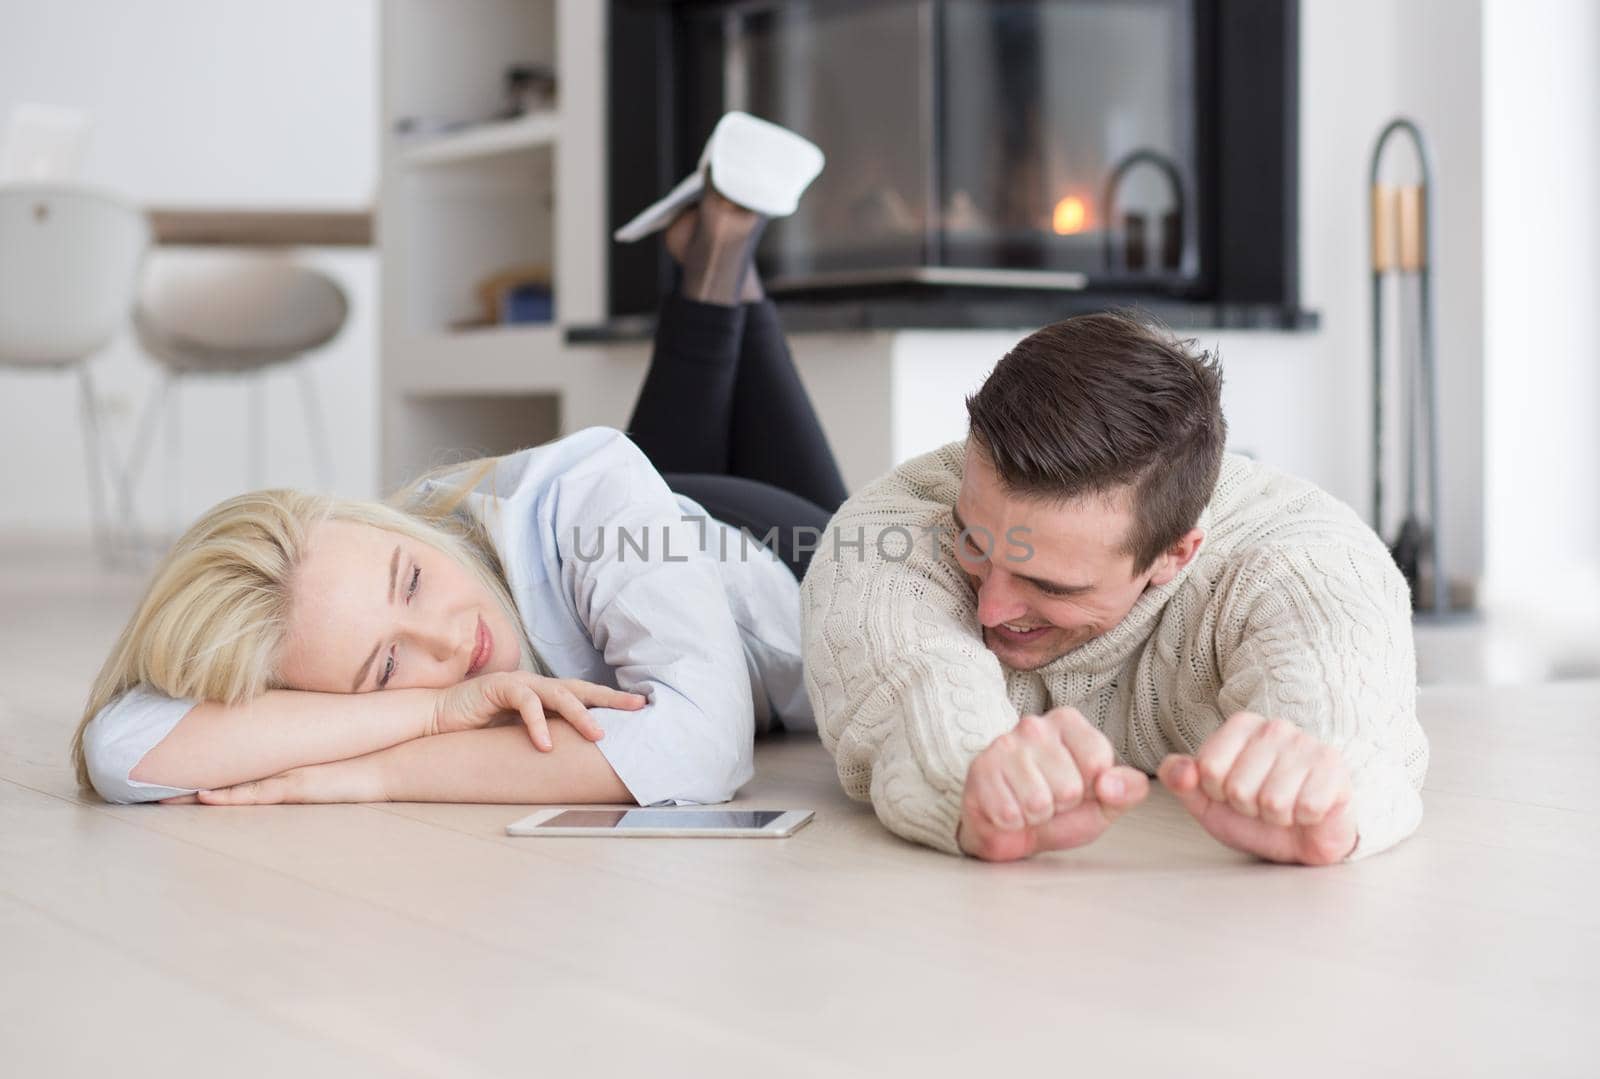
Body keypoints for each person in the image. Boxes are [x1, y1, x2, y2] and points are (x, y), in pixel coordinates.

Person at [73, 114, 847, 808]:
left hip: (778, 557)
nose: (448, 641)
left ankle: (719, 255)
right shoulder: (380, 619)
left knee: (743, 515)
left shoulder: (583, 488)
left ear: (378, 519)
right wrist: (431, 711)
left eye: (410, 578)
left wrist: (382, 771)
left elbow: (701, 754)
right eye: (384, 668)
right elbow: (120, 746)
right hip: (649, 533)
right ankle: (717, 255)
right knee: (643, 503)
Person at [801, 313, 1428, 865]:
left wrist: (1328, 801)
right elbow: (917, 687)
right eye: (972, 541)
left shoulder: (1305, 557)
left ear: (1175, 553)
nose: (989, 606)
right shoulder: (890, 527)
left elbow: (1350, 715)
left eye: (1048, 583)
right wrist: (969, 786)